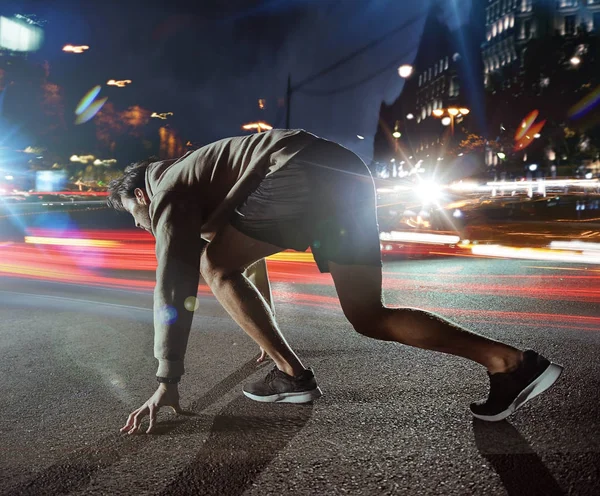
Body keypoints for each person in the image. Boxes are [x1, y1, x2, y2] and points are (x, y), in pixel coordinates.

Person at [107, 129, 563, 435]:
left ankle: (293, 376)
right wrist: (263, 335)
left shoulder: (166, 190)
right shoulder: (202, 175)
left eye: (137, 218)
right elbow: (244, 264)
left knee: (211, 264)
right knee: (369, 315)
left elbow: (173, 285)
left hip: (296, 170)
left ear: (141, 195)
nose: (144, 228)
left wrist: (168, 378)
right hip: (347, 174)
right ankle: (509, 363)